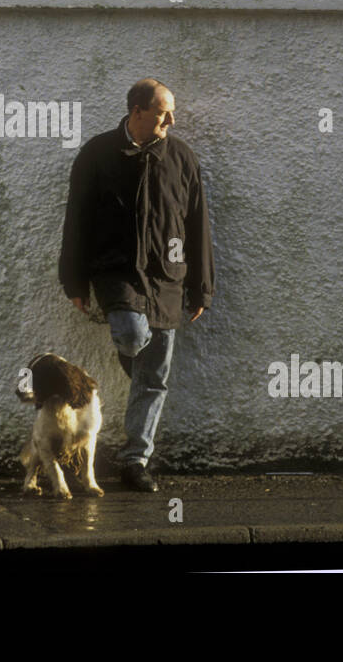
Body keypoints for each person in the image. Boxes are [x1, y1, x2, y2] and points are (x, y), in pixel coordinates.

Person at [59, 78, 214, 492]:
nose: (172, 120)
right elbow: (76, 220)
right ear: (138, 111)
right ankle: (136, 372)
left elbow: (197, 223)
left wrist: (201, 285)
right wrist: (73, 278)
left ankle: (135, 460)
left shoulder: (181, 157)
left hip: (167, 279)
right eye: (164, 112)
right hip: (117, 275)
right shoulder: (98, 154)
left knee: (155, 376)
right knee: (130, 334)